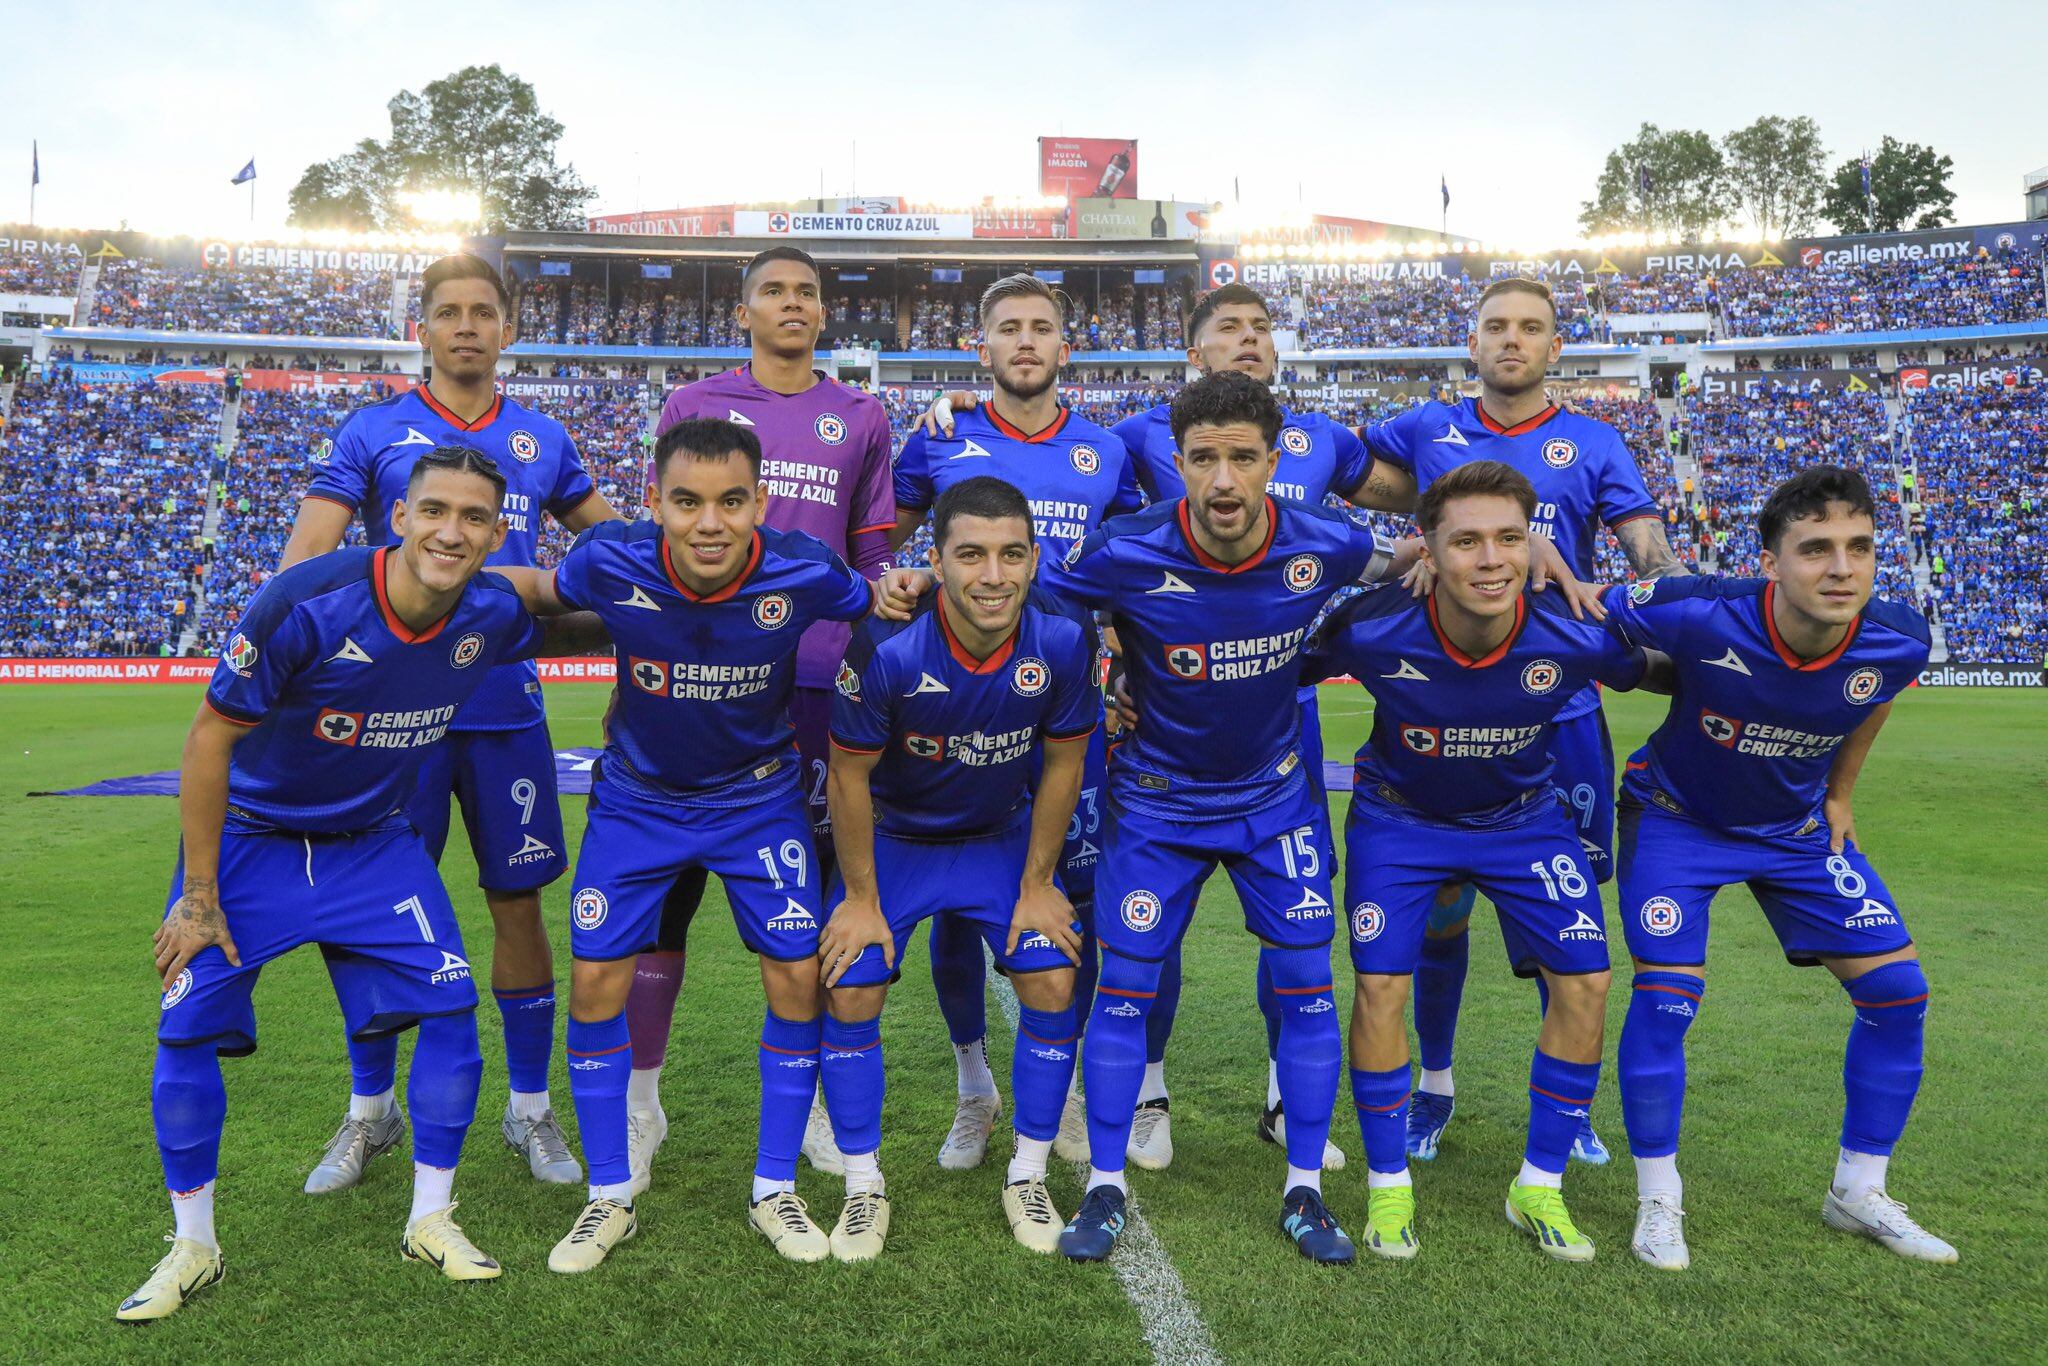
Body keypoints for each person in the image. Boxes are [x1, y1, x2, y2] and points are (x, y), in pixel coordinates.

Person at [120, 447, 601, 1321]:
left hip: (373, 845)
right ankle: (193, 1246)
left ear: (498, 534)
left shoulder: (486, 612)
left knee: (451, 1005)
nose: (450, 532)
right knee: (185, 1029)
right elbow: (207, 740)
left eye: (473, 518)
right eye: (433, 511)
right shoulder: (307, 601)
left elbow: (579, 613)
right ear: (399, 518)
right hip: (251, 841)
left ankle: (431, 1219)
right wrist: (199, 895)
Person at [914, 281, 1379, 1171]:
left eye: (1260, 328)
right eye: (1226, 330)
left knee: (1221, 917)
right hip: (1021, 703)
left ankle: (1272, 1098)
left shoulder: (1277, 461)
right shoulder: (1103, 437)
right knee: (963, 876)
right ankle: (990, 1086)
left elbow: (1399, 532)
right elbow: (1100, 567)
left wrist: (1500, 548)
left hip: (1248, 732)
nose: (1221, 475)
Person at [490, 418, 920, 1272]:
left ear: (761, 503)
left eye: (731, 502)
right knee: (594, 980)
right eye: (686, 502)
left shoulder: (804, 567)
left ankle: (773, 1186)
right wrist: (404, 578)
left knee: (798, 978)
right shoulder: (609, 559)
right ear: (655, 502)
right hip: (638, 803)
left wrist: (905, 586)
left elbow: (877, 600)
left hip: (757, 802)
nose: (710, 523)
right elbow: (536, 589)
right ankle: (609, 1195)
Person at [1038, 372, 1417, 1265]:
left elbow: (1409, 563)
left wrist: (1486, 554)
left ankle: (1306, 1191)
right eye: (1203, 459)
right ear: (1178, 463)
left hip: (1274, 801)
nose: (1222, 481)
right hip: (1157, 806)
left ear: (1273, 461)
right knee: (1123, 991)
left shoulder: (1326, 540)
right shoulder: (1123, 547)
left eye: (1242, 458)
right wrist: (1113, 671)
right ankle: (1103, 1186)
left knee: (1308, 990)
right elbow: (1045, 604)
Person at [279, 253, 623, 1192]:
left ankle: (529, 1111)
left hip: (504, 706)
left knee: (519, 903)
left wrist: (639, 604)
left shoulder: (541, 437)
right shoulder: (373, 428)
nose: (467, 326)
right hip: (389, 715)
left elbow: (613, 545)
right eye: (449, 313)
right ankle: (370, 1111)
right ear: (421, 330)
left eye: (484, 312)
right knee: (373, 906)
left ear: (507, 330)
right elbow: (306, 559)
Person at [1353, 276, 1689, 1166]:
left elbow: (1652, 569)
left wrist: (1617, 607)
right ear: (1472, 343)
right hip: (1447, 697)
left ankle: (1567, 1110)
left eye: (1530, 328)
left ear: (1555, 348)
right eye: (1495, 326)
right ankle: (1435, 1085)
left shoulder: (1596, 441)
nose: (1512, 340)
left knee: (1565, 917)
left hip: (1563, 704)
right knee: (1441, 913)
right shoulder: (1424, 429)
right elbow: (1327, 466)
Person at [1303, 460, 1669, 1263]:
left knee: (1588, 980)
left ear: (1533, 544)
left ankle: (1538, 1184)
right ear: (1427, 552)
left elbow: (1666, 672)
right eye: (1466, 541)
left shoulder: (1571, 630)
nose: (1492, 559)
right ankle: (1389, 1189)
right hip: (1400, 821)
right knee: (1380, 984)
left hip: (1523, 821)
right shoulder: (1371, 626)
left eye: (1510, 538)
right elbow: (1276, 668)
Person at [1606, 466, 1955, 1271]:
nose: (1842, 568)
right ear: (1772, 562)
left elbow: (1875, 697)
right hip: (1675, 819)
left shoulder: (1897, 637)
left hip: (1795, 830)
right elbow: (1596, 608)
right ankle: (1660, 1199)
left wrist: (1841, 793)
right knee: (1666, 1001)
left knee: (1897, 996)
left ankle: (1858, 1192)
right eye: (1817, 549)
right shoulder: (1700, 607)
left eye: (1860, 547)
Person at [627, 246, 898, 1190]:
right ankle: (640, 1103)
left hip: (819, 680)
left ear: (825, 313)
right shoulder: (694, 405)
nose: (793, 304)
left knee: (814, 895)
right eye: (774, 291)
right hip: (704, 676)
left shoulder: (861, 414)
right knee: (667, 895)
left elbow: (870, 555)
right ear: (743, 311)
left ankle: (819, 1102)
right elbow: (660, 536)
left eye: (807, 293)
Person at [891, 273, 1141, 1171]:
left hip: (1068, 707)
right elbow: (880, 547)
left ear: (1065, 349)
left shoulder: (1108, 451)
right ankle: (973, 1089)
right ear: (981, 348)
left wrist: (1137, 668)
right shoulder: (939, 439)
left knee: (1072, 903)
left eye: (1043, 328)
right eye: (1009, 329)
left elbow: (1145, 573)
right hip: (955, 709)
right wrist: (901, 580)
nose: (1027, 342)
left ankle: (1060, 1083)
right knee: (958, 912)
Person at [822, 475, 1098, 1256]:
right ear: (936, 562)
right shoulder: (885, 644)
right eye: (971, 555)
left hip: (996, 840)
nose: (993, 575)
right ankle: (862, 1186)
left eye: (1012, 555)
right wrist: (862, 900)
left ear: (1035, 560)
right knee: (852, 983)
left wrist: (1040, 885)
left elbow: (1063, 764)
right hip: (898, 841)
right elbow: (846, 775)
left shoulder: (1064, 640)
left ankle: (1029, 1175)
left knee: (1051, 974)